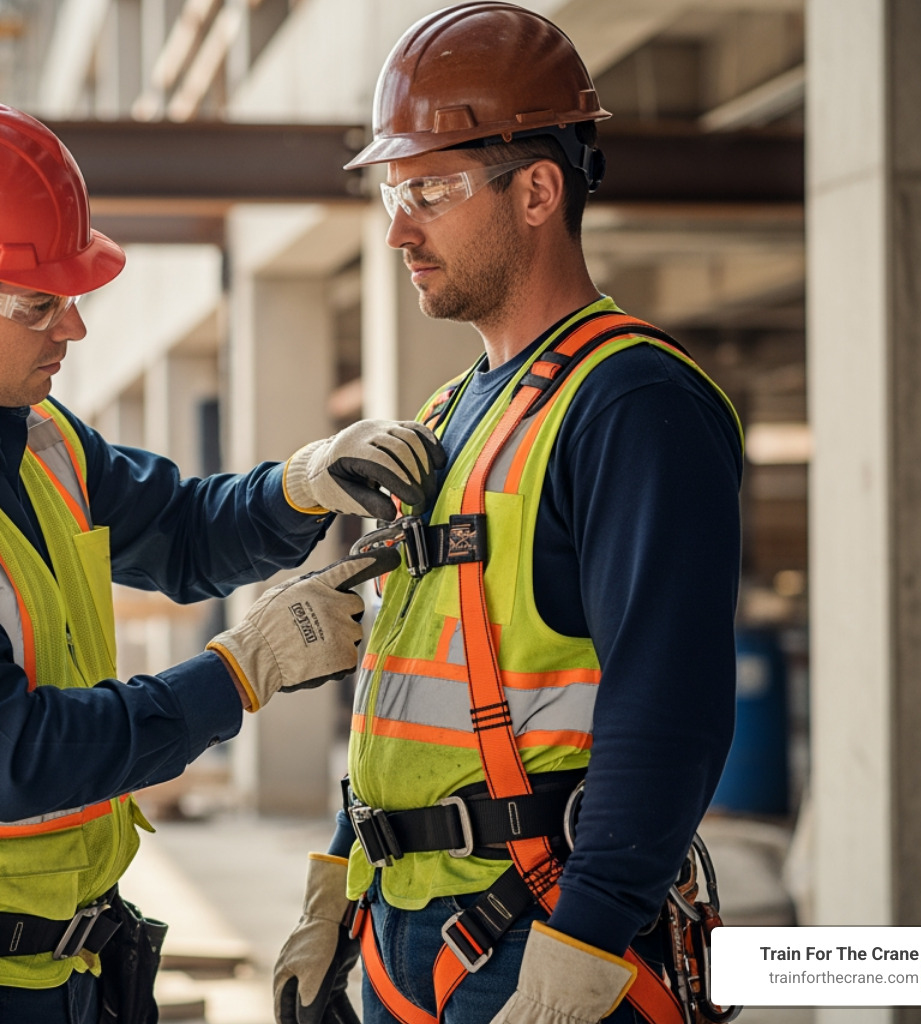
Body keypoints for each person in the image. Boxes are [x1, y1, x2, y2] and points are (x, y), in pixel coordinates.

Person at [0, 100, 444, 1024]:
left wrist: (302, 486)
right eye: (40, 304)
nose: (70, 329)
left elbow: (183, 532)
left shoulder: (35, 439)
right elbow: (11, 756)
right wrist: (241, 670)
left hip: (66, 970)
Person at [271, 5, 744, 1024]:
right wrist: (338, 892)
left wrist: (583, 945)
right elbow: (402, 688)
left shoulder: (632, 404)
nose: (399, 226)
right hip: (406, 936)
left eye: (431, 189)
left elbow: (669, 706)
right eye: (395, 191)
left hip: (536, 941)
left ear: (538, 189)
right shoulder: (450, 414)